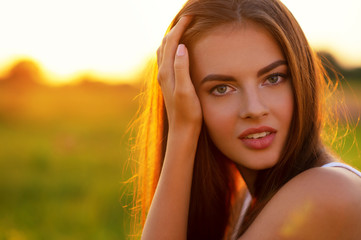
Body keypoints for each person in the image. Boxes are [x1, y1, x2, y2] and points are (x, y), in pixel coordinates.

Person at [131, 0, 361, 239]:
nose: (254, 109)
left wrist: (182, 131)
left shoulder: (327, 192)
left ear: (301, 79)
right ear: (186, 97)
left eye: (273, 78)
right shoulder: (245, 201)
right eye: (221, 88)